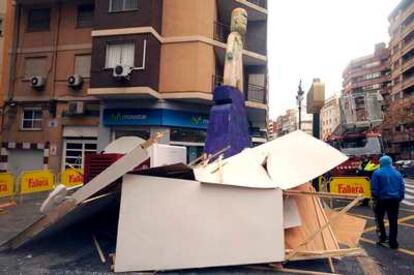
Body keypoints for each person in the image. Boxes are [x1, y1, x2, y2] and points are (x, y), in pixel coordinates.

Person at [371, 155, 405, 249]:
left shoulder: (377, 173)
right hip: (394, 200)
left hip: (382, 199)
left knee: (379, 219)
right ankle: (393, 242)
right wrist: (400, 197)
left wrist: (375, 197)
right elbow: (402, 187)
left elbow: (374, 188)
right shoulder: (397, 173)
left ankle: (383, 238)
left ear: (381, 163)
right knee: (393, 221)